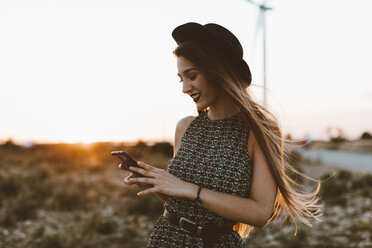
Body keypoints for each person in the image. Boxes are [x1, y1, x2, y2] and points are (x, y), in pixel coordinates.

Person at [123, 22, 322, 248]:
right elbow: (182, 200)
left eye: (192, 76)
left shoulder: (259, 132)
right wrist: (158, 183)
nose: (185, 88)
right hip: (166, 238)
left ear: (218, 72)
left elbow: (260, 212)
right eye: (181, 78)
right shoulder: (185, 127)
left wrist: (190, 189)